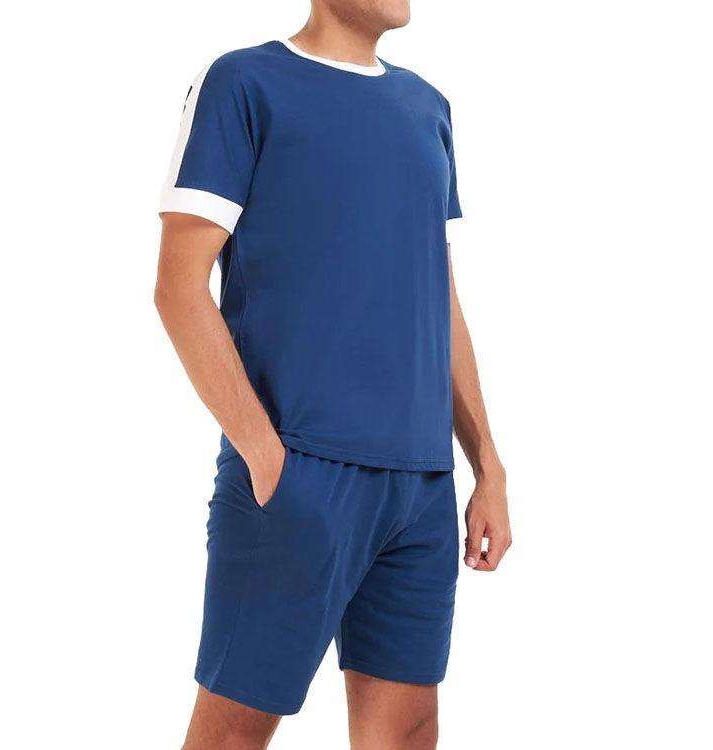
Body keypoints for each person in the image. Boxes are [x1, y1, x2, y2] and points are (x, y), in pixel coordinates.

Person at [155, 1, 511, 747]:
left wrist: (488, 466)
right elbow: (179, 288)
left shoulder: (427, 107)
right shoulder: (244, 84)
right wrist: (264, 456)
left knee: (408, 733)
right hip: (299, 473)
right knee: (232, 734)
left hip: (420, 486)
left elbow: (438, 296)